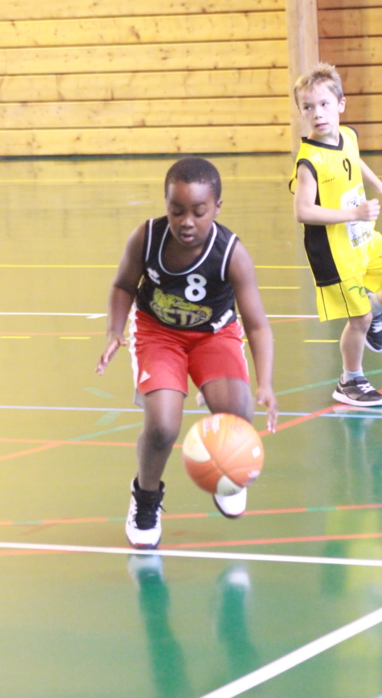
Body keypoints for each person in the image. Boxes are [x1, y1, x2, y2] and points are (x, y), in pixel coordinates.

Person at [96, 156, 278, 549]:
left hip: (214, 335)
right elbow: (123, 286)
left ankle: (229, 474)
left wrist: (265, 382)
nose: (186, 222)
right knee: (163, 427)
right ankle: (146, 498)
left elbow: (257, 325)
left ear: (217, 207)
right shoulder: (147, 238)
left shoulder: (231, 253)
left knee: (238, 414)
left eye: (198, 211)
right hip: (158, 333)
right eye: (176, 210)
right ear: (165, 204)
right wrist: (114, 330)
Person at [290, 62, 382, 408]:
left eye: (324, 104)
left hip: (362, 238)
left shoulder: (347, 135)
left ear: (340, 104)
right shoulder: (309, 162)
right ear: (301, 112)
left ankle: (377, 307)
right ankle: (349, 381)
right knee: (359, 318)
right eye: (308, 107)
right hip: (333, 253)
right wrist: (353, 213)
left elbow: (354, 158)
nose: (317, 114)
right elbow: (303, 211)